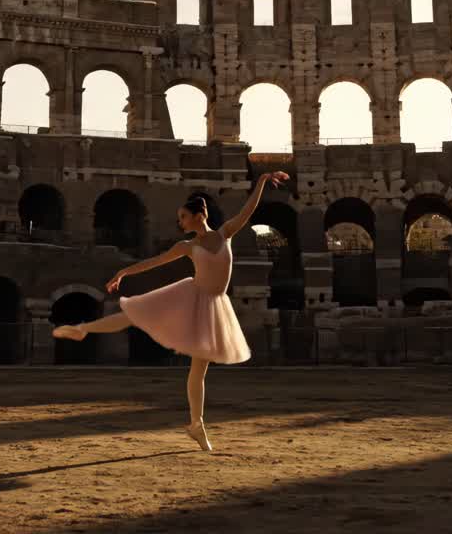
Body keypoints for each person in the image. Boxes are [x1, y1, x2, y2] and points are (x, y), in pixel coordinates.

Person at [53, 170, 291, 451]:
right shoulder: (187, 246)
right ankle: (83, 329)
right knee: (135, 313)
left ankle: (195, 425)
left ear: (198, 215)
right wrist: (124, 271)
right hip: (192, 297)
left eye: (183, 217)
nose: (180, 223)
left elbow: (248, 210)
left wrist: (262, 180)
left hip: (214, 305)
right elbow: (155, 262)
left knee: (199, 370)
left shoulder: (226, 232)